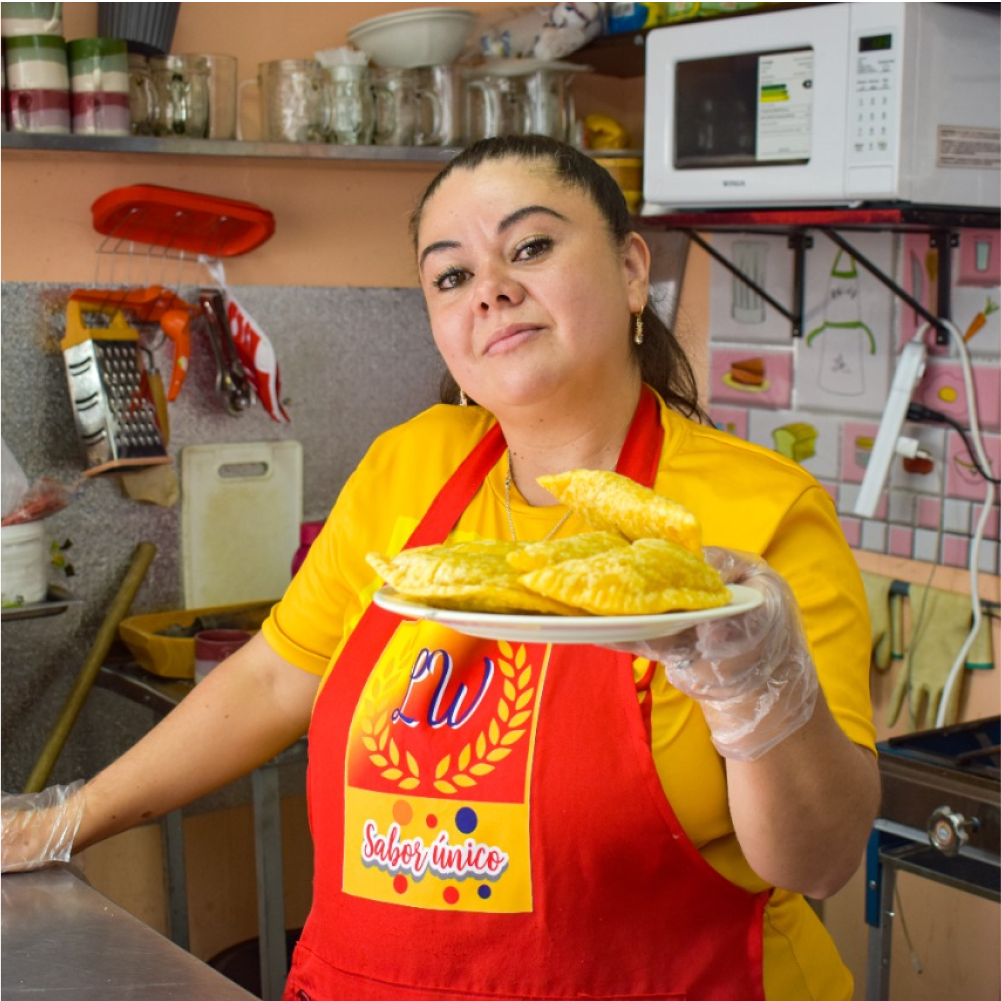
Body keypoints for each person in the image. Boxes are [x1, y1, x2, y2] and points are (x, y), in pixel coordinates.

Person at [1, 135, 879, 1000]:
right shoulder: (408, 465)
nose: (491, 290)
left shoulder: (756, 512)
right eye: (451, 275)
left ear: (630, 270)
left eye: (531, 246)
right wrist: (67, 820)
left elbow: (822, 860)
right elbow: (273, 677)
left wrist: (757, 692)